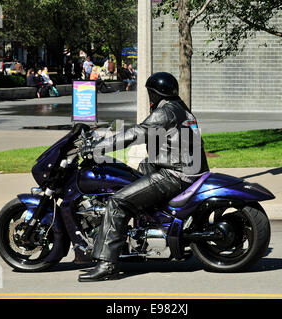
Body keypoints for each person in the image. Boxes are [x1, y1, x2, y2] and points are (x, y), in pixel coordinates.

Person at [77, 72, 210, 282]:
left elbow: (136, 133)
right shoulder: (181, 109)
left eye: (150, 93)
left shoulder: (165, 112)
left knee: (118, 201)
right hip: (185, 169)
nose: (149, 97)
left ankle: (106, 263)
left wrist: (98, 146)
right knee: (132, 172)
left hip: (174, 174)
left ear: (157, 93)